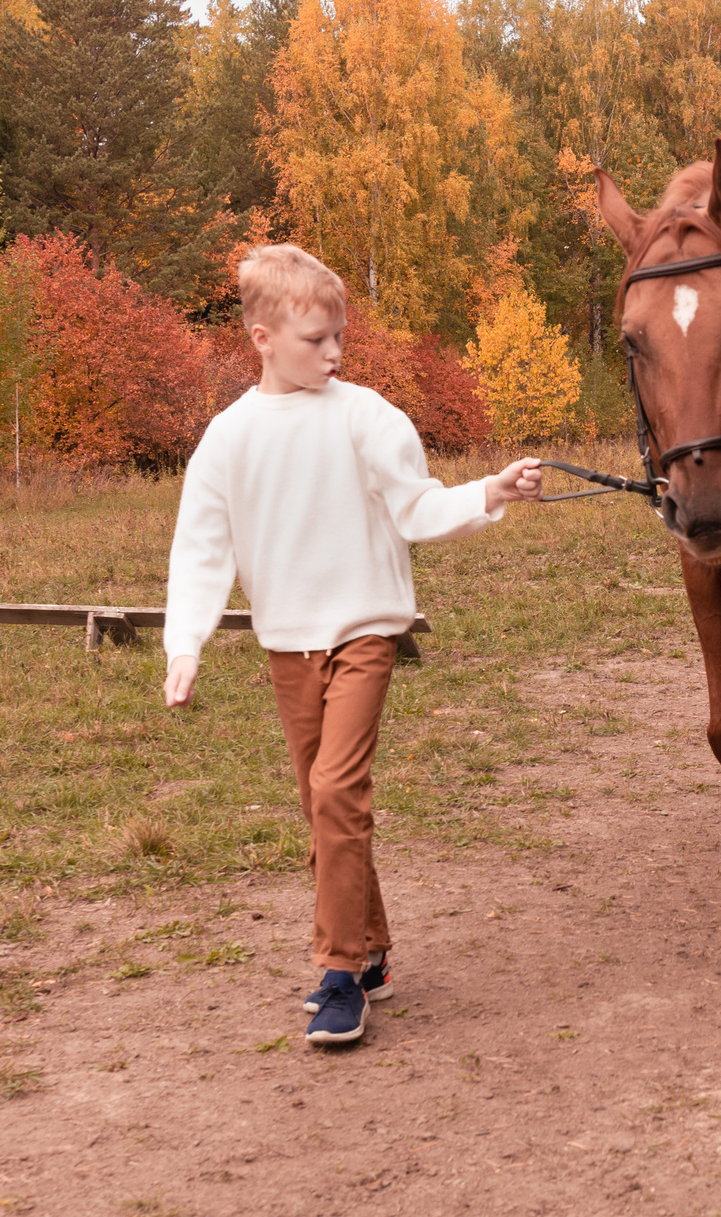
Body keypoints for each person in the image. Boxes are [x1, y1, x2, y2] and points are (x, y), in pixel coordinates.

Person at [162, 245, 542, 1047]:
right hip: (286, 645)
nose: (333, 353)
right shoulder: (228, 438)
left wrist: (490, 491)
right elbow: (202, 545)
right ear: (261, 337)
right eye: (314, 340)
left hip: (367, 631)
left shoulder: (367, 415)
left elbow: (418, 507)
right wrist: (184, 643)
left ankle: (339, 976)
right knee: (319, 805)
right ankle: (371, 953)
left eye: (339, 336)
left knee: (336, 791)